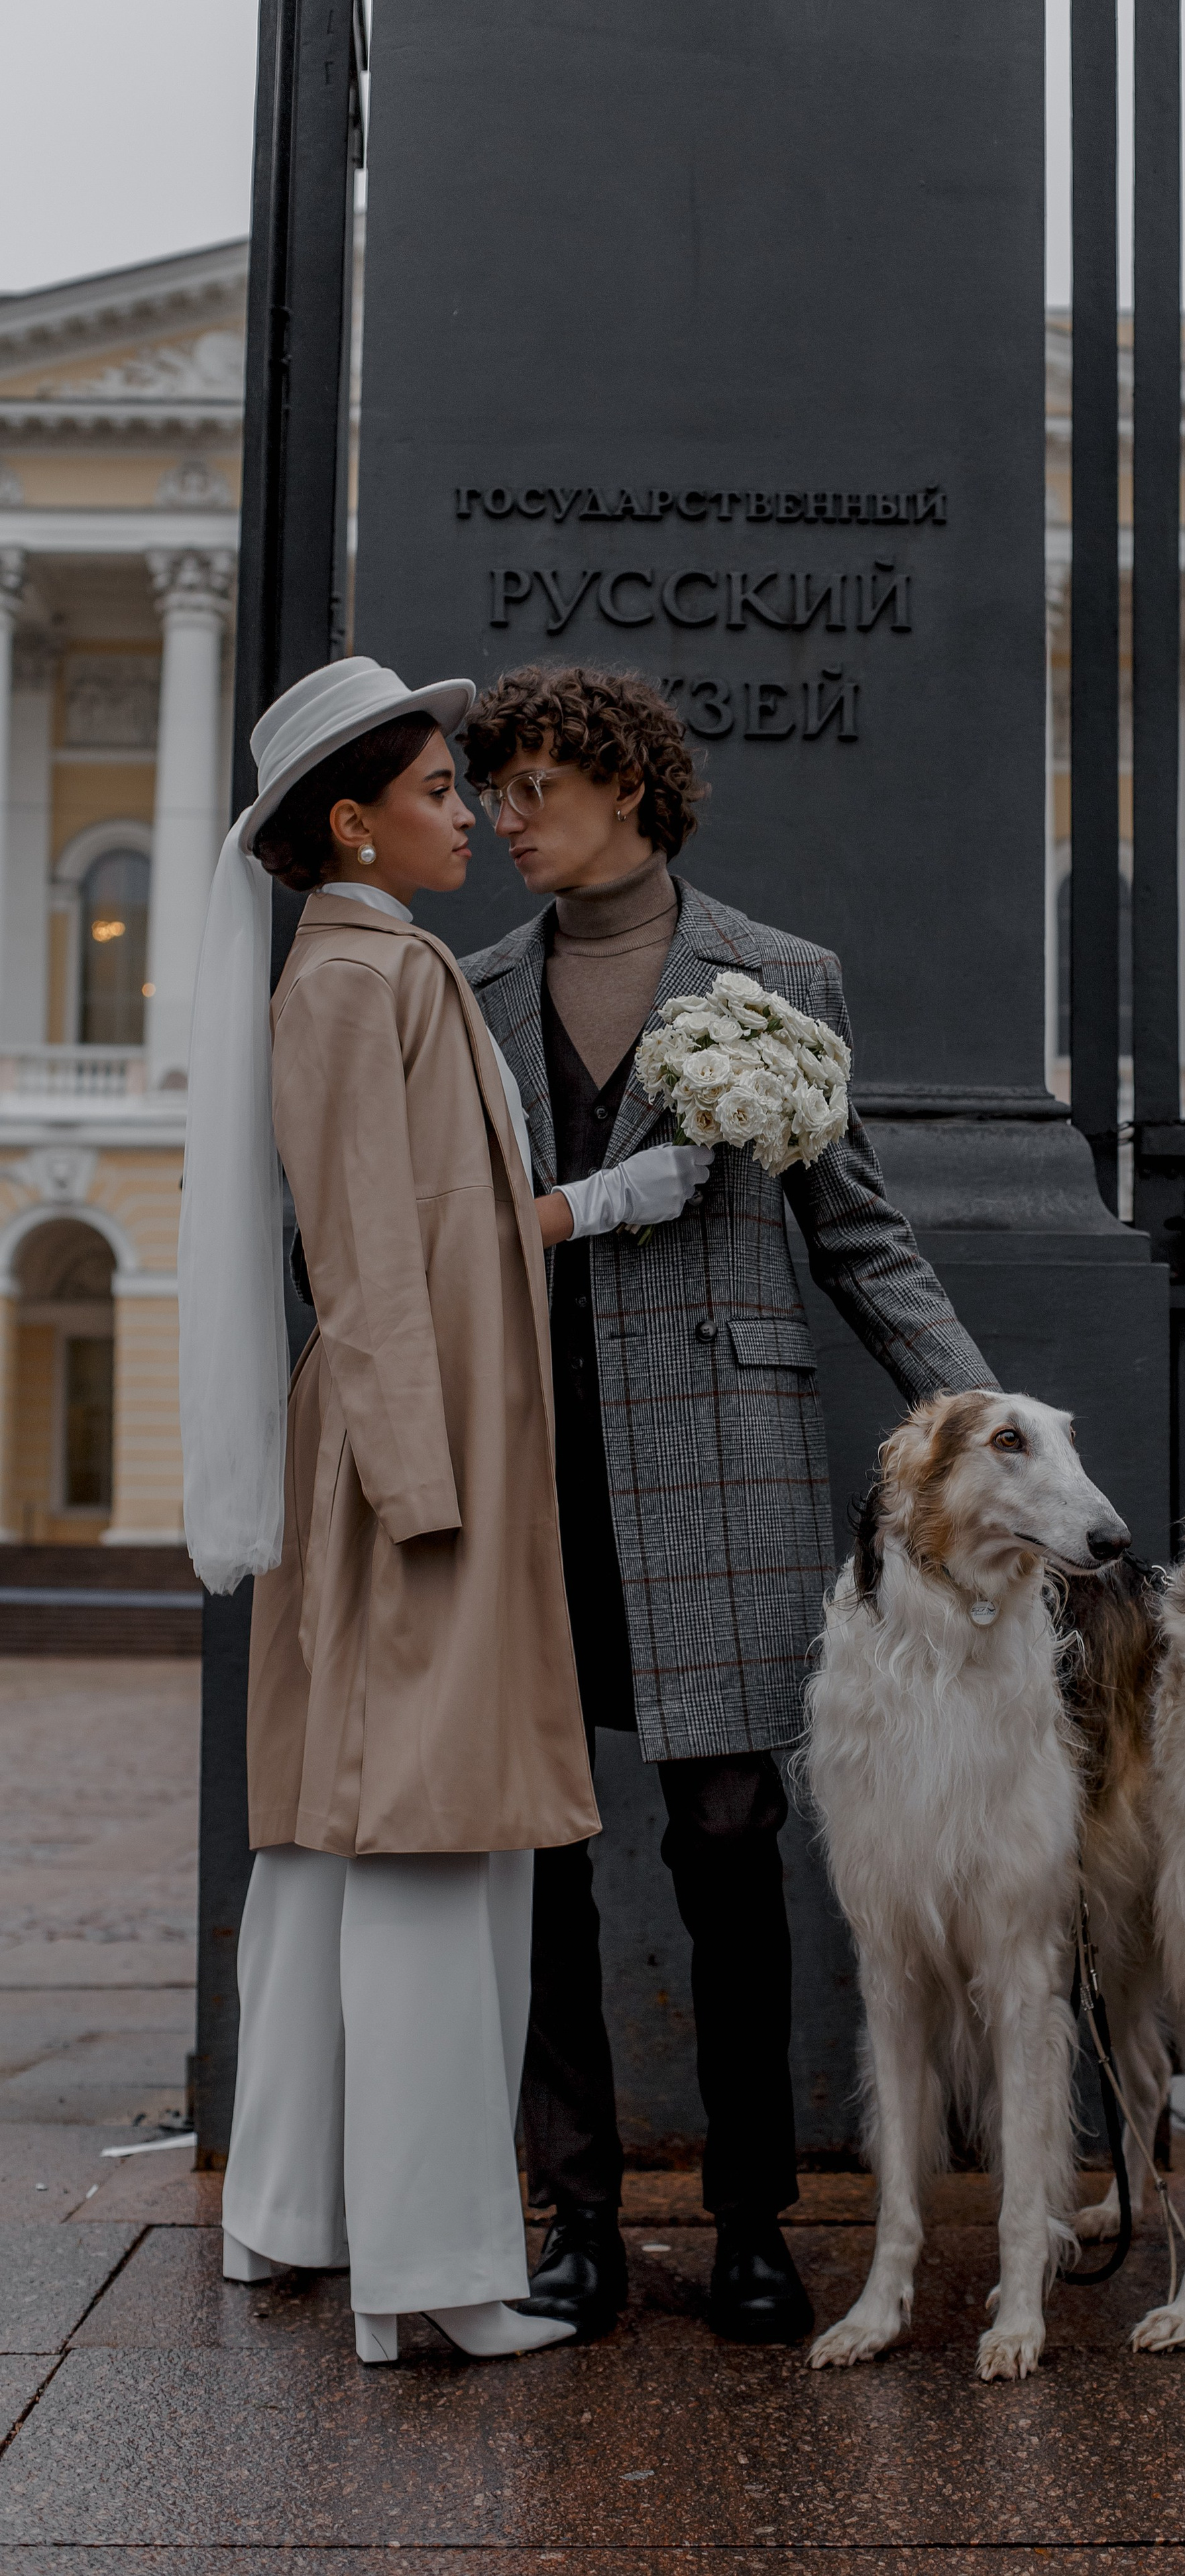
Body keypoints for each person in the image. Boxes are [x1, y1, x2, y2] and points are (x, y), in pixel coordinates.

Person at [457, 663, 995, 2347]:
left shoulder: (779, 977)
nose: (504, 816)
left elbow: (857, 1234)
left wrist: (980, 1424)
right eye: (494, 788)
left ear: (630, 786)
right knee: (537, 1846)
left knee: (727, 1836)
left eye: (537, 783)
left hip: (722, 1454)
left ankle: (755, 2218)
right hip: (524, 1460)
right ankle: (576, 2225)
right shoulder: (464, 993)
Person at [180, 657, 612, 2365]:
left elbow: (433, 1224)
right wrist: (423, 1485)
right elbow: (364, 1246)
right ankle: (429, 2273)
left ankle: (289, 2209)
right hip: (411, 1454)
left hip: (391, 1441)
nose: (471, 813)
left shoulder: (362, 962)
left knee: (324, 1838)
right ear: (352, 824)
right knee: (440, 1839)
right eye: (440, 790)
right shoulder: (367, 976)